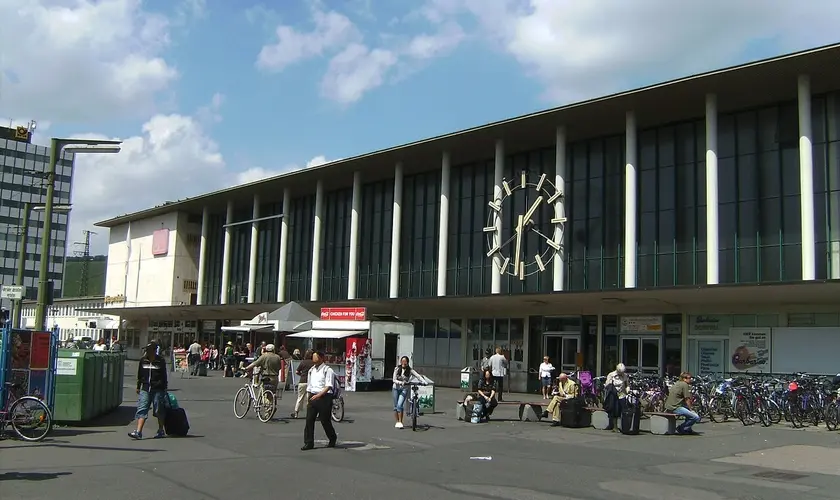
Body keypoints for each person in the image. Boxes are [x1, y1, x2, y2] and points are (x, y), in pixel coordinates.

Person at [129, 343, 168, 440]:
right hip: (145, 388)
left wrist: (164, 388)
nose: (147, 352)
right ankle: (138, 432)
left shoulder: (160, 361)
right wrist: (138, 386)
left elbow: (164, 375)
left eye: (150, 350)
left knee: (158, 410)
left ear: (154, 351)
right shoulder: (143, 360)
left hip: (157, 388)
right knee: (142, 408)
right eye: (147, 350)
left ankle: (160, 430)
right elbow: (140, 374)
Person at [301, 351, 338, 451]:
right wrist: (308, 398)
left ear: (321, 358)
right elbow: (309, 386)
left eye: (315, 357)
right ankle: (308, 442)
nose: (313, 360)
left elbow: (328, 385)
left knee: (325, 420)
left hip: (324, 396)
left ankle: (332, 437)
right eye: (313, 357)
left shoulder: (327, 370)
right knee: (309, 420)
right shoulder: (311, 370)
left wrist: (319, 395)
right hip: (313, 396)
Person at [392, 356, 423, 429]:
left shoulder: (410, 370)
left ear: (407, 362)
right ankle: (397, 422)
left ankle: (400, 421)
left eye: (405, 361)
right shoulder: (397, 369)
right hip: (395, 388)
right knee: (396, 406)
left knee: (400, 405)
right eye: (402, 361)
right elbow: (394, 379)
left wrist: (423, 381)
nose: (403, 363)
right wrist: (400, 382)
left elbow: (418, 376)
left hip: (404, 389)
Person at [603, 363, 630, 431]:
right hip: (613, 394)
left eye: (622, 372)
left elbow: (627, 384)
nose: (622, 373)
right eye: (620, 372)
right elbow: (606, 385)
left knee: (623, 409)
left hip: (622, 394)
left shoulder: (625, 376)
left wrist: (628, 390)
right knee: (615, 410)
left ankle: (624, 426)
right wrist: (610, 383)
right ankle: (614, 426)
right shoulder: (611, 375)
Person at [292, 349, 314, 419]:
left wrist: (301, 374)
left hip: (302, 381)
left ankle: (296, 413)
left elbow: (297, 372)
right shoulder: (314, 363)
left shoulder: (303, 362)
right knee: (309, 399)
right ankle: (309, 413)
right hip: (311, 382)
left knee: (300, 398)